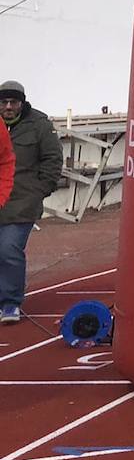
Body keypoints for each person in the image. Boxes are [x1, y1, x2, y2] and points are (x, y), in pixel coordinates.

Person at [0, 82, 61, 324]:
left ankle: (10, 302)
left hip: (22, 202)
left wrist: (40, 191)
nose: (8, 107)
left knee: (8, 249)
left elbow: (53, 158)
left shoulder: (39, 125)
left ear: (22, 103)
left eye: (13, 102)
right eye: (3, 102)